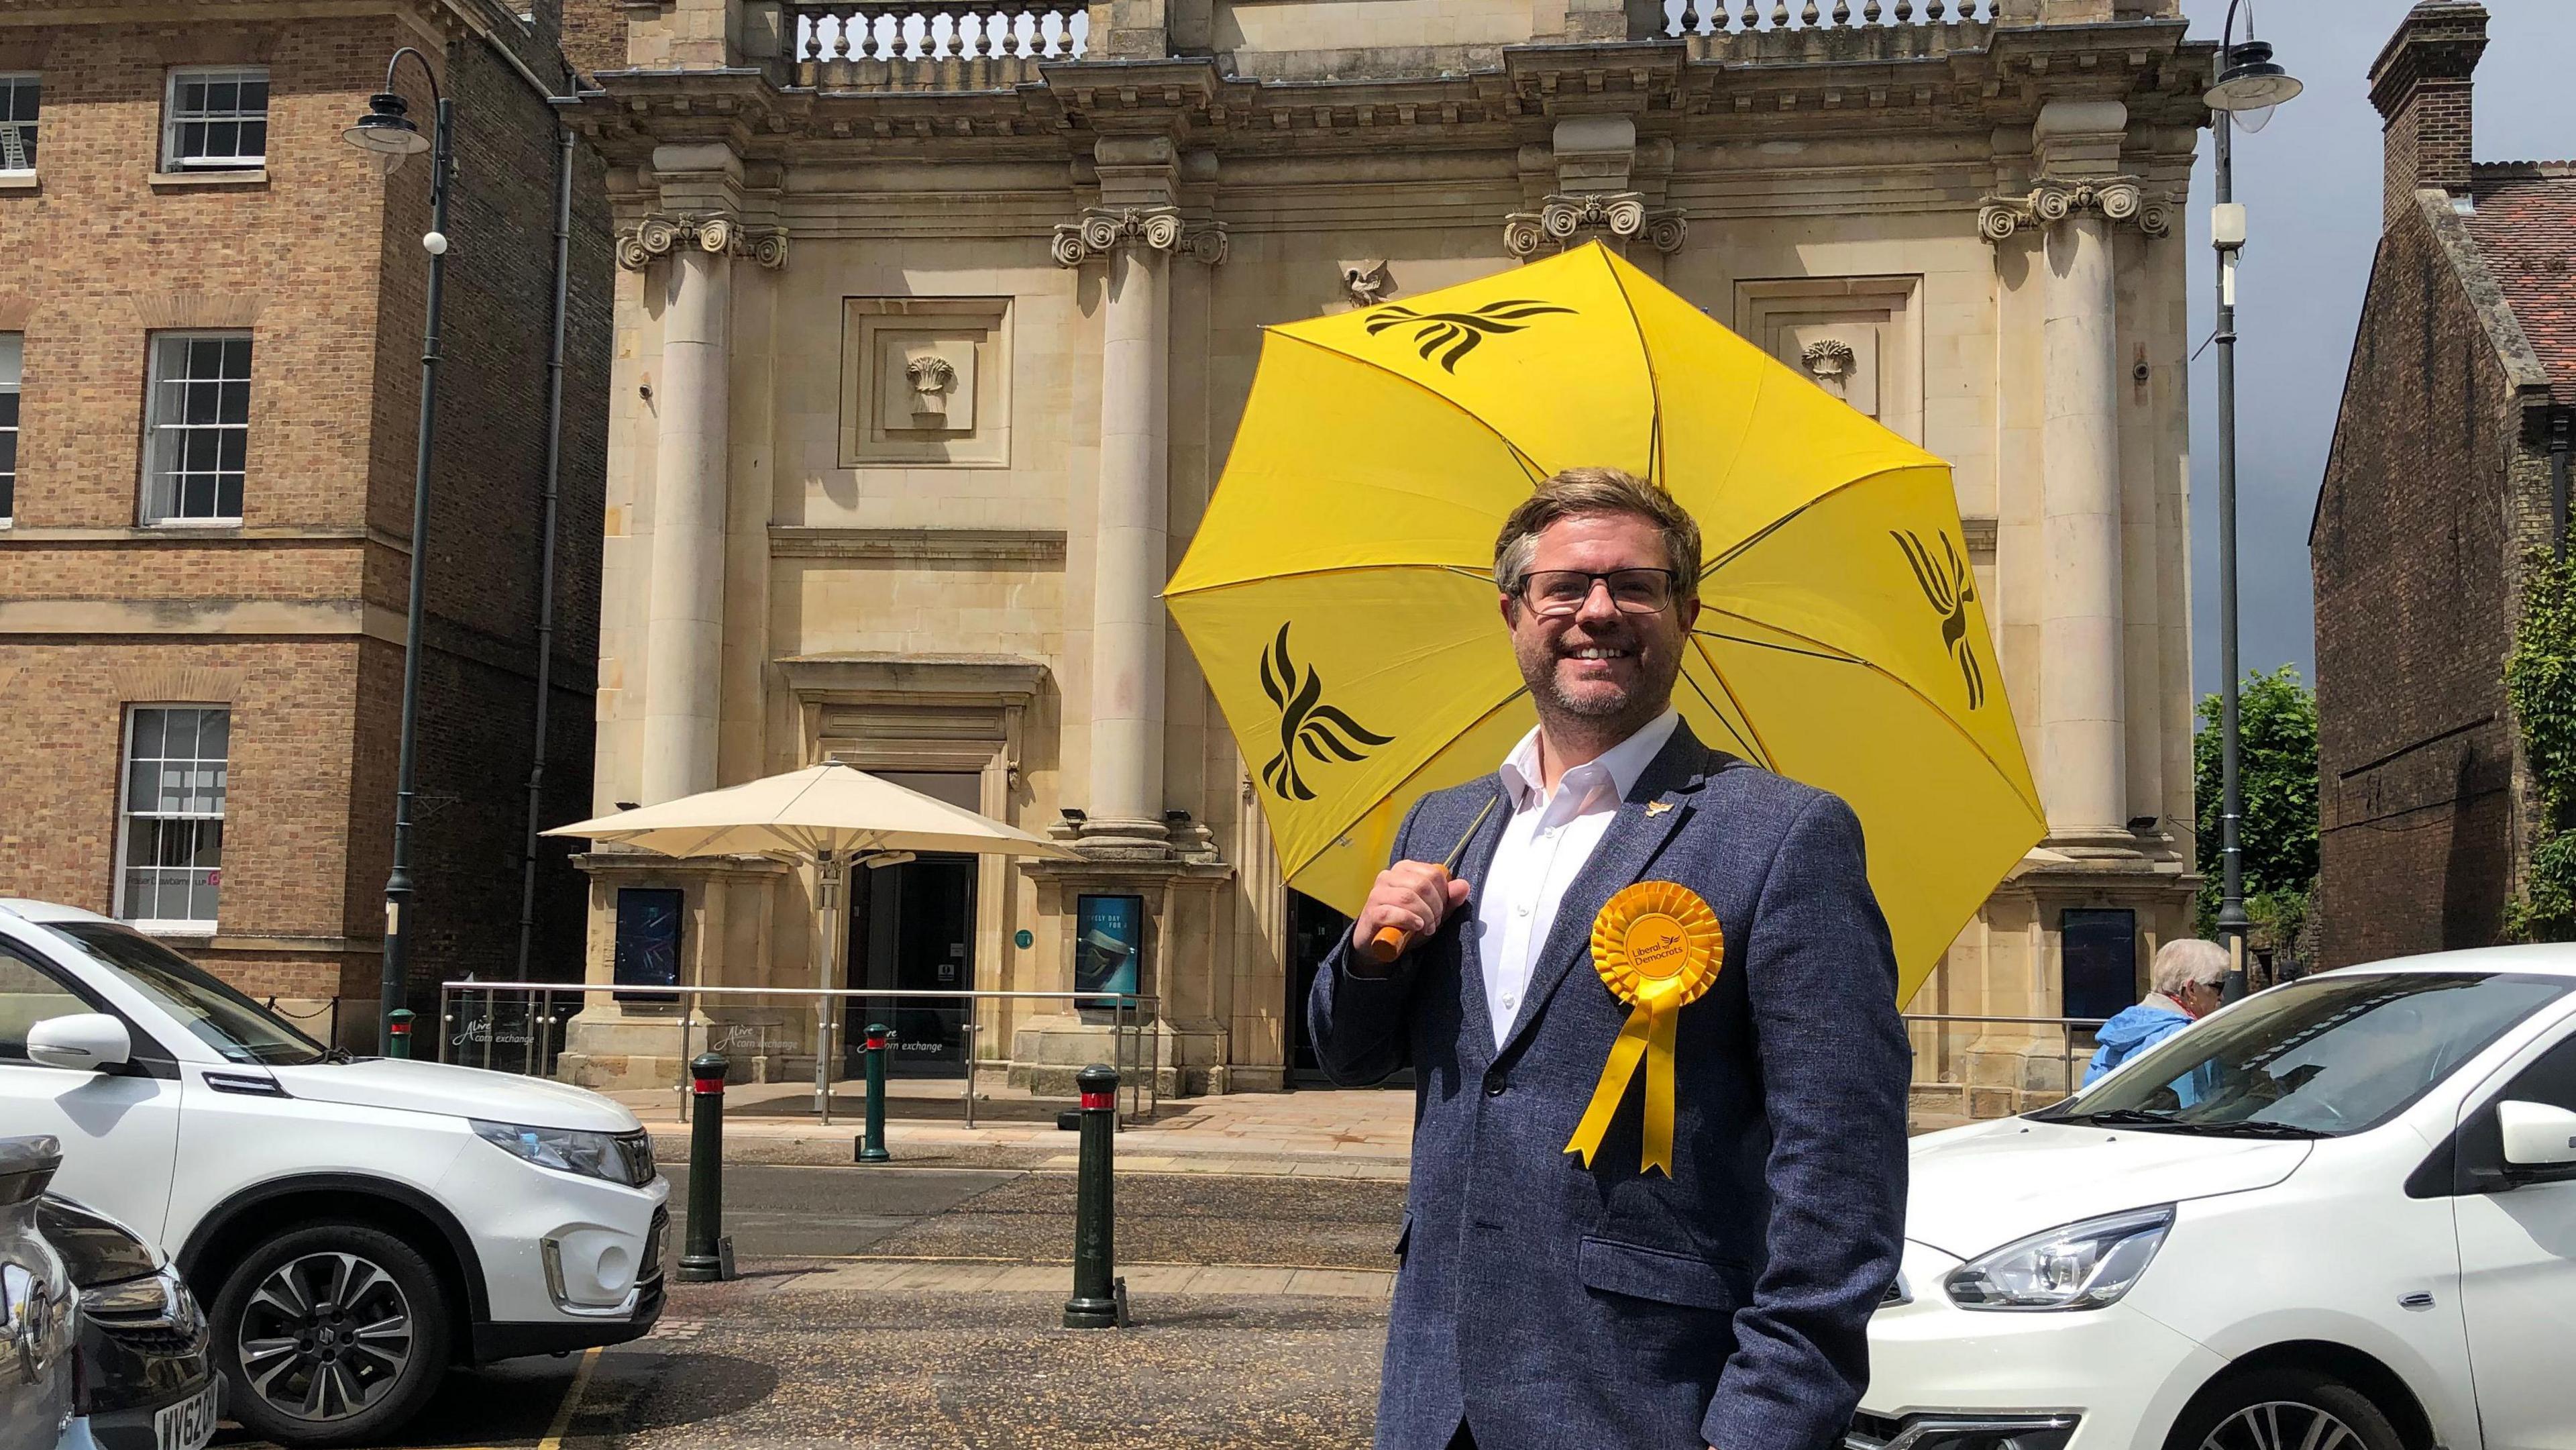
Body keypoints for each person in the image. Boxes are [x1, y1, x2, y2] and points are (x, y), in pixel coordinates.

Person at [1308, 468, 1911, 1450]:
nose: (1600, 611)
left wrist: (1767, 1426)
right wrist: (1371, 955)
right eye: (1566, 587)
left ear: (1687, 612)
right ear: (1514, 611)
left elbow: (1843, 1171)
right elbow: (1347, 1053)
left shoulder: (1784, 832)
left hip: (1650, 1402)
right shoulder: (1449, 821)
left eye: (1637, 585)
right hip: (1435, 1398)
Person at [2081, 937, 2229, 1088]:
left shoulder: (2126, 1025)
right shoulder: (2185, 1039)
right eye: (2218, 987)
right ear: (2191, 989)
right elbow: (2196, 1107)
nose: (2221, 996)